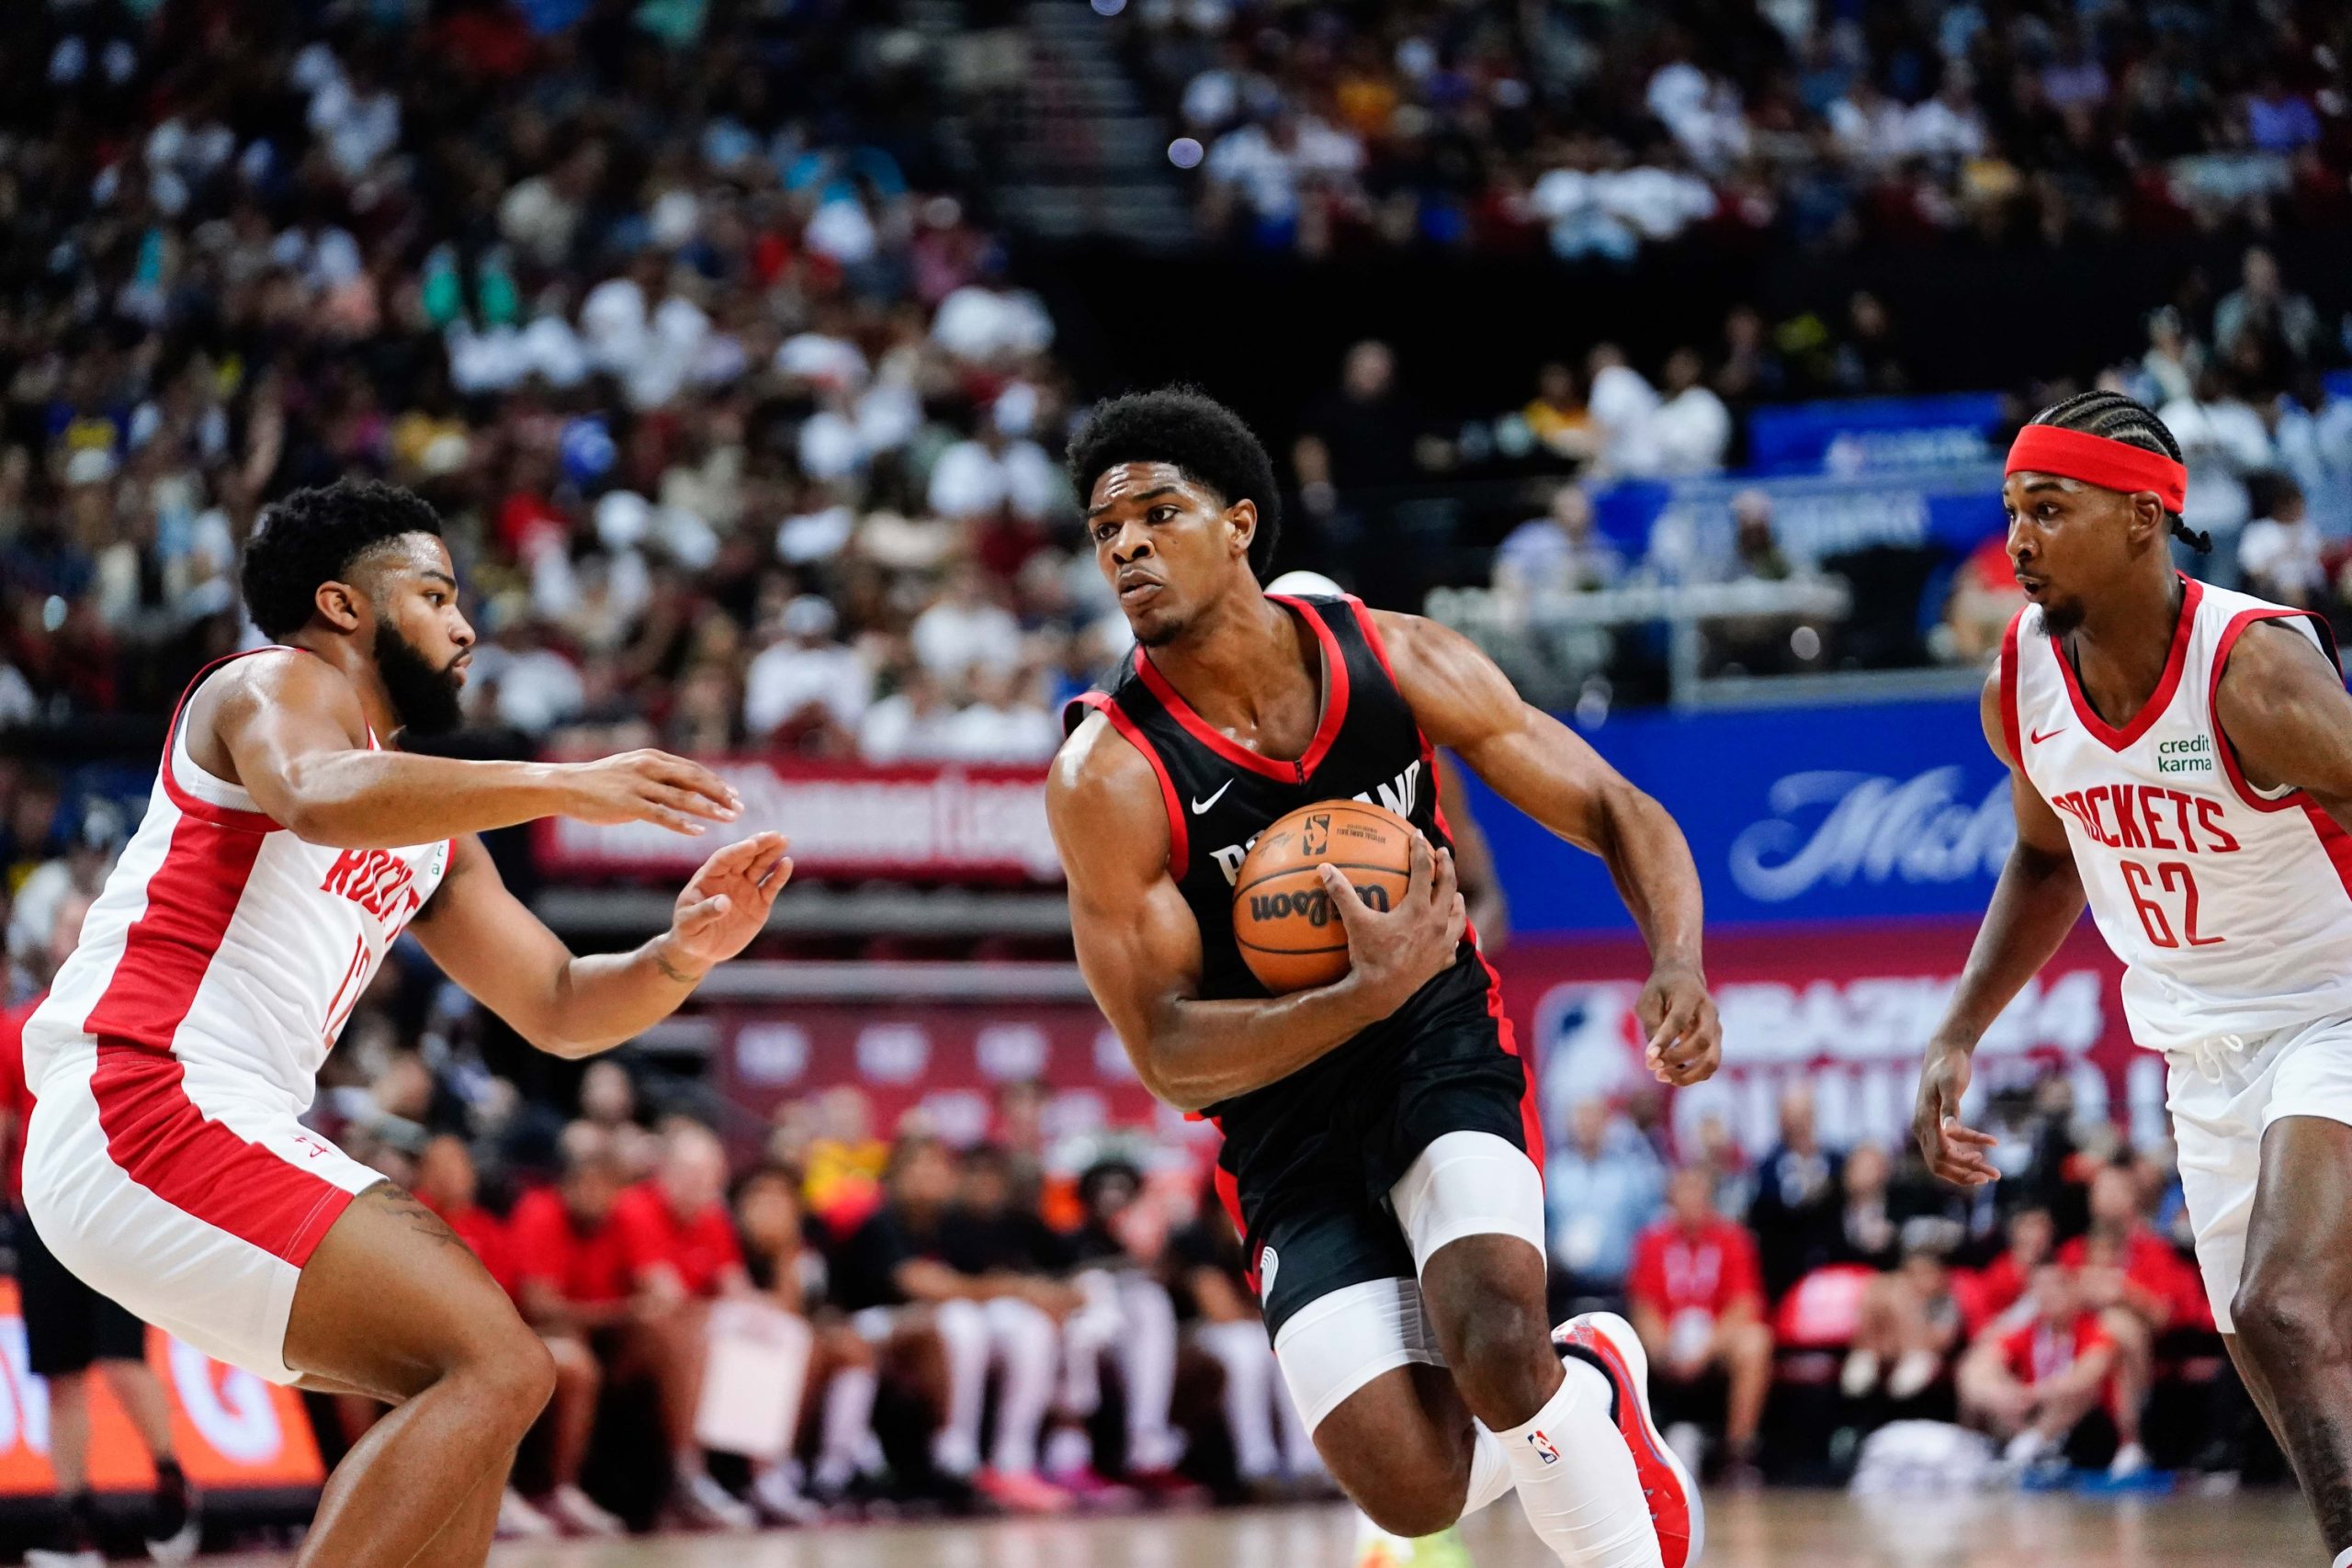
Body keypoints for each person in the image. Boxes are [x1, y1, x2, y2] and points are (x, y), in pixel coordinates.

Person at [17, 478, 792, 1568]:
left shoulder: (431, 828)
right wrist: (563, 784)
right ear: (344, 606)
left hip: (208, 1127)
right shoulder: (270, 684)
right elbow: (315, 795)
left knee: (481, 1386)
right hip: (144, 1095)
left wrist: (681, 954)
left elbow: (562, 1007)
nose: (466, 625)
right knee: (499, 1361)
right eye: (436, 595)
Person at [1049, 389, 1721, 1568]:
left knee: (1499, 1343)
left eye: (1159, 515)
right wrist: (1346, 996)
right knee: (1417, 1496)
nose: (1129, 548)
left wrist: (1676, 958)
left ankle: (1596, 1479)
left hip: (1432, 1040)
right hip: (1277, 1116)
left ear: (1242, 523)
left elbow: (1615, 806)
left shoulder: (1391, 655)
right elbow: (1162, 1052)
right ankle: (1595, 1385)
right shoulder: (1106, 773)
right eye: (1108, 533)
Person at [1915, 389, 2352, 1563]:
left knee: (2280, 1306)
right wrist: (1959, 1028)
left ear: (2143, 521)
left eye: (2048, 509)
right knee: (2270, 1338)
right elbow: (2045, 854)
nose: (2017, 539)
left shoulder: (2251, 671)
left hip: (2334, 1008)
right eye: (2011, 510)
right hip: (2196, 1043)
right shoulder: (2019, 675)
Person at [2, 889, 199, 1568]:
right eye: (62, 920)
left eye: (83, 921)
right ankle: (75, 1522)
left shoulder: (136, 1018)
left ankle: (174, 1485)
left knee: (121, 1359)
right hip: (40, 1216)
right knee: (60, 1374)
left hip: (114, 1211)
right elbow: (5, 1129)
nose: (71, 931)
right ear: (51, 938)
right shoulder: (18, 1027)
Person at [1624, 1168, 1773, 1486]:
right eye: (1684, 1193)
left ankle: (1738, 1453)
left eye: (1697, 1193)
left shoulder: (1733, 1239)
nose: (1691, 1201)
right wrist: (1664, 1347)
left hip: (1715, 1342)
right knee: (1621, 1342)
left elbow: (1744, 1305)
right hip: (1666, 1342)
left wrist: (1705, 1350)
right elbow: (1644, 1306)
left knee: (1756, 1342)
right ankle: (1634, 1451)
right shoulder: (1653, 1241)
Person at [1956, 1260, 2119, 1477]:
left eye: (2056, 1285)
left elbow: (2090, 1374)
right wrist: (2003, 1393)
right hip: (2031, 1415)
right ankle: (2011, 1448)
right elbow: (1978, 1367)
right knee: (1978, 1379)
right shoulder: (2028, 1331)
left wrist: (2035, 1392)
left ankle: (2032, 1444)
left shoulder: (2092, 1329)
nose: (2047, 1293)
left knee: (2079, 1390)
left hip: (2087, 1428)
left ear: (2073, 1289)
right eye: (2039, 1287)